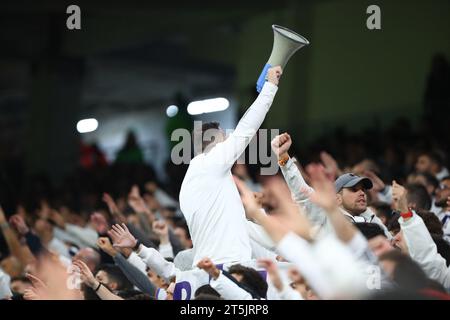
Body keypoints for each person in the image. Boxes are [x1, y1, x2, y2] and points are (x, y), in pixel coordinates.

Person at [179, 66, 283, 266]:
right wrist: (270, 86)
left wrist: (285, 244)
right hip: (228, 267)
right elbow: (246, 128)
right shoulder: (211, 161)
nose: (229, 141)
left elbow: (240, 226)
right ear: (215, 141)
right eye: (225, 138)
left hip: (213, 269)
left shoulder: (192, 182)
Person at [271, 132, 391, 239]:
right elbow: (302, 193)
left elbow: (392, 245)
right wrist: (283, 158)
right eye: (354, 190)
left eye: (363, 190)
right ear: (337, 198)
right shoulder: (325, 217)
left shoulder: (372, 218)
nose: (362, 193)